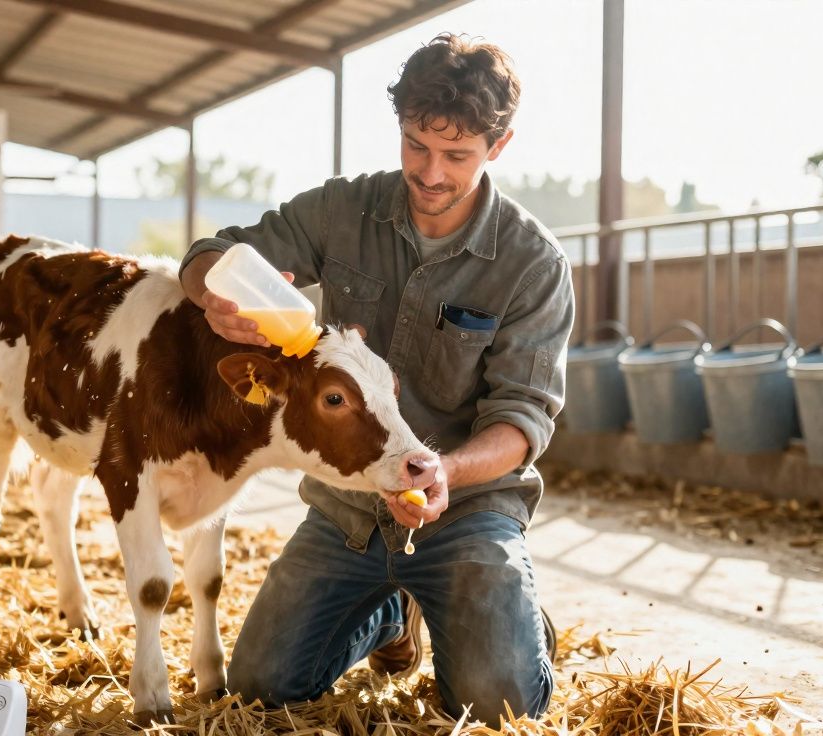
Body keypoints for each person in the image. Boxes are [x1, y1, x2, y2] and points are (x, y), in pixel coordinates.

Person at [178, 33, 572, 724]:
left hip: (468, 513)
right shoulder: (341, 209)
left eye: (458, 156)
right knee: (259, 686)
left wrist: (442, 470)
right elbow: (215, 250)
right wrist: (211, 289)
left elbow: (523, 420)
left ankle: (515, 621)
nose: (431, 172)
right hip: (348, 513)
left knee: (495, 703)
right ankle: (393, 616)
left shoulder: (532, 262)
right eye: (417, 144)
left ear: (498, 148)